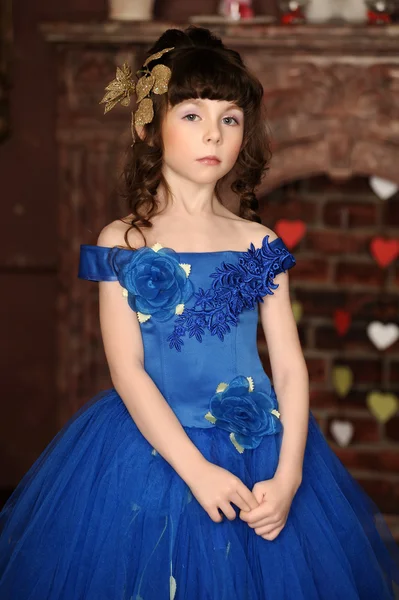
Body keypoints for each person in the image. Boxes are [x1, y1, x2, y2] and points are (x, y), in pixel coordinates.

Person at [1, 25, 398, 600]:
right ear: (148, 126)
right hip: (155, 450)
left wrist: (287, 478)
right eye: (191, 115)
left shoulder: (258, 242)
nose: (213, 132)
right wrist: (196, 471)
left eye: (230, 118)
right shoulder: (125, 242)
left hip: (258, 442)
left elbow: (287, 367)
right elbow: (128, 371)